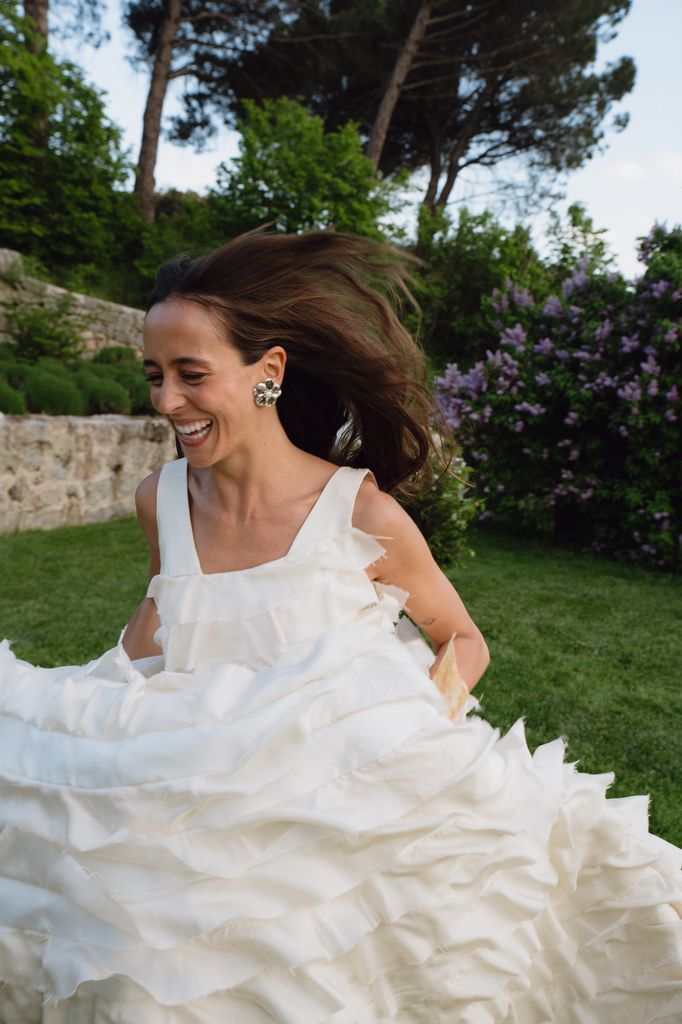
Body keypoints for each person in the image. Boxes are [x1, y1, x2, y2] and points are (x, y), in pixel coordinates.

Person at [0, 230, 680, 1023]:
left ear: (270, 372)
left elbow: (462, 639)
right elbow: (162, 617)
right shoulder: (162, 497)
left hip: (323, 823)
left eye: (192, 375)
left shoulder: (359, 511)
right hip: (200, 808)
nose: (165, 402)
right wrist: (88, 721)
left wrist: (409, 735)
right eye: (154, 375)